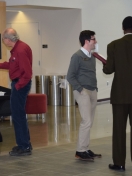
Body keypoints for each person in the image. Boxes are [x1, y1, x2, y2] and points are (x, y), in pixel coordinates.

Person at [0, 28, 32, 156]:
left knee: (18, 115)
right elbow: (11, 65)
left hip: (20, 84)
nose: (3, 41)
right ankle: (24, 144)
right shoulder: (18, 48)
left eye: (3, 39)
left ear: (8, 39)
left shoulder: (19, 50)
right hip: (19, 83)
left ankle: (24, 146)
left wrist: (18, 86)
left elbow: (27, 73)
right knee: (19, 114)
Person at [67, 30, 102, 161]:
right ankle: (80, 150)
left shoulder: (93, 56)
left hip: (93, 90)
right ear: (87, 41)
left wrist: (95, 89)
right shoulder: (77, 56)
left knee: (90, 121)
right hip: (83, 91)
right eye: (94, 39)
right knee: (86, 121)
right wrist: (80, 89)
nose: (95, 41)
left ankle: (85, 148)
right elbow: (70, 76)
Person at [103, 16, 132, 172]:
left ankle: (119, 163)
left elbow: (108, 70)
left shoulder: (113, 45)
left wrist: (105, 64)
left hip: (119, 95)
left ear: (123, 28)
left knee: (119, 130)